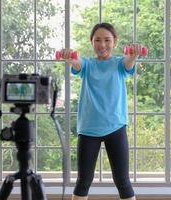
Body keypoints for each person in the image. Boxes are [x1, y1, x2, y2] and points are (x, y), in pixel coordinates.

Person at [60, 22, 143, 200]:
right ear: (91, 42)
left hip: (116, 127)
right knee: (83, 181)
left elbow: (129, 63)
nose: (102, 44)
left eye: (107, 40)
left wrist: (134, 55)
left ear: (115, 42)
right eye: (97, 40)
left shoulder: (120, 64)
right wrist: (69, 58)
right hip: (89, 129)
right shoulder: (88, 65)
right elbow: (77, 62)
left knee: (122, 181)